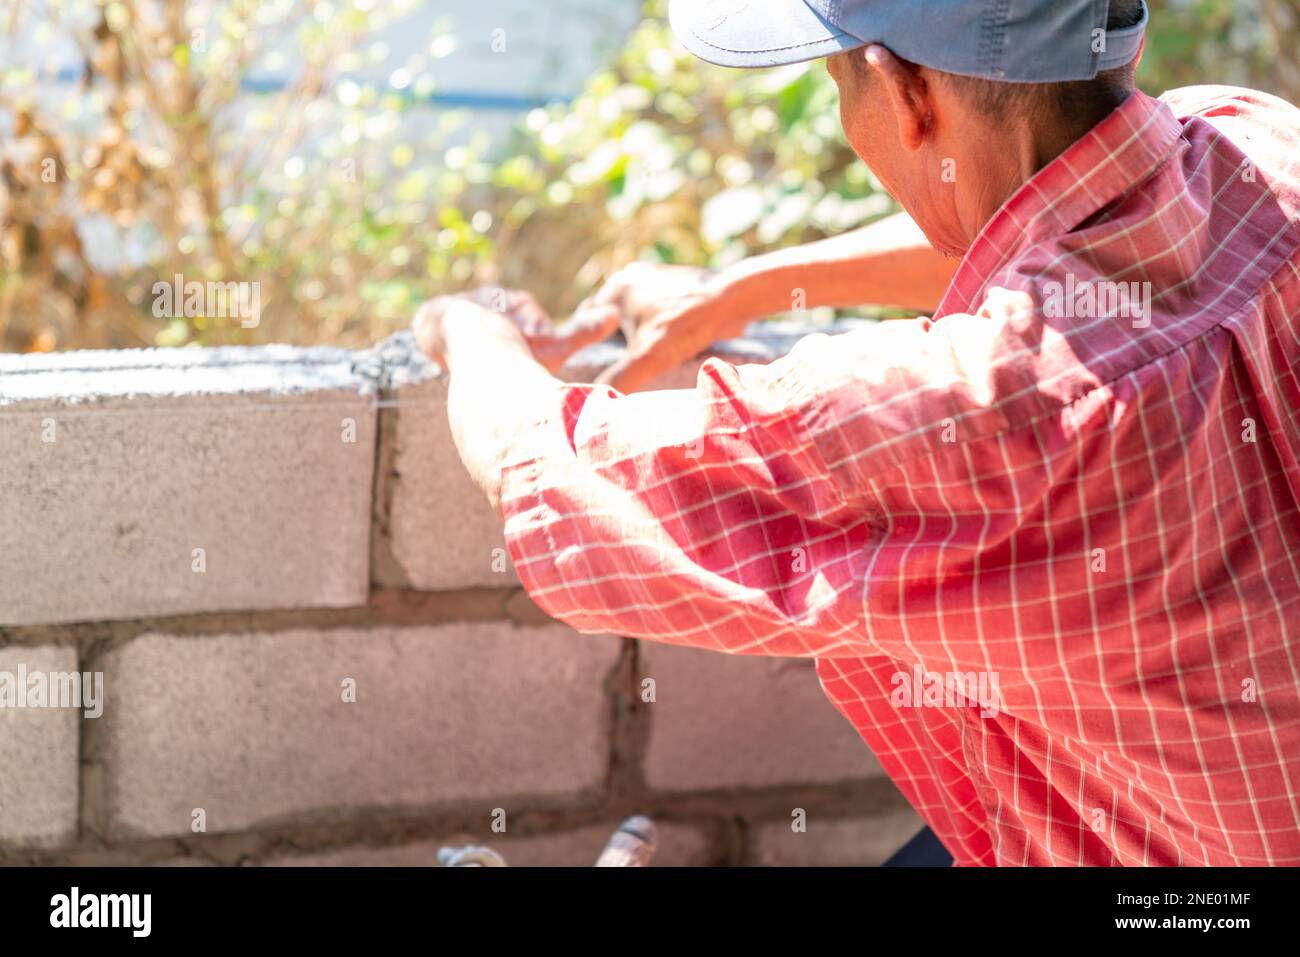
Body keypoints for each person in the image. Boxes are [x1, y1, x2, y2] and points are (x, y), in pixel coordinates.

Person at [412, 0, 1300, 865]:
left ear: (903, 92)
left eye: (839, 79)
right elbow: (1055, 213)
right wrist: (742, 288)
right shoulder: (1259, 142)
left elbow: (548, 463)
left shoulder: (964, 415)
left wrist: (472, 329)